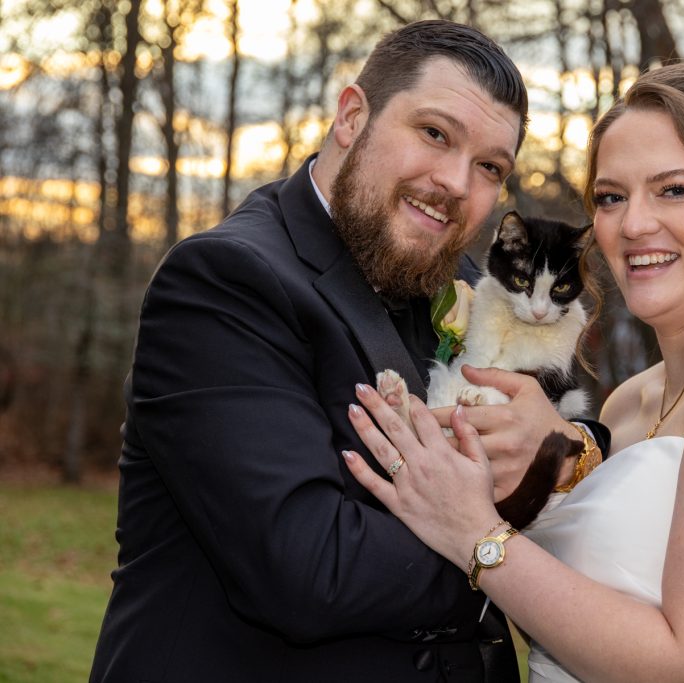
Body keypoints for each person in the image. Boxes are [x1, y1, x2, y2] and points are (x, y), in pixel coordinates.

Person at [90, 20, 606, 683]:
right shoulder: (224, 282)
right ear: (352, 116)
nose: (456, 181)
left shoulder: (469, 285)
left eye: (489, 168)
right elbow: (309, 570)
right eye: (435, 133)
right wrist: (498, 546)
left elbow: (565, 426)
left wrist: (567, 444)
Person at [343, 62, 684, 682]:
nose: (633, 225)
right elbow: (573, 619)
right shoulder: (628, 404)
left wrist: (474, 535)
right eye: (611, 197)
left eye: (674, 190)